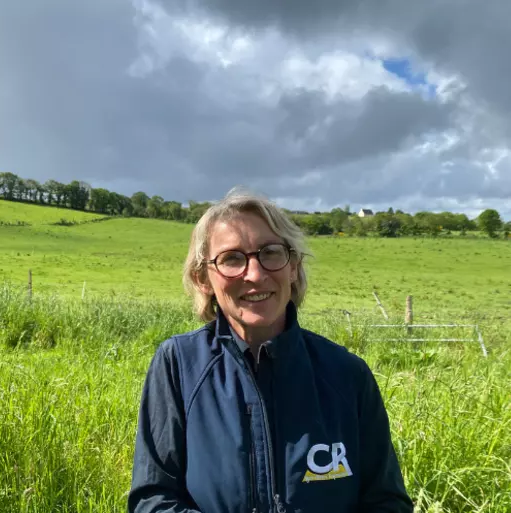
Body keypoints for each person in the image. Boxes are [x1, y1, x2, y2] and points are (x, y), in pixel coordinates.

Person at [128, 188, 413, 513]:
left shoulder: (347, 375)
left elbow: (387, 502)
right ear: (202, 279)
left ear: (293, 266)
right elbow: (152, 500)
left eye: (271, 252)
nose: (256, 274)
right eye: (232, 258)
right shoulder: (179, 365)